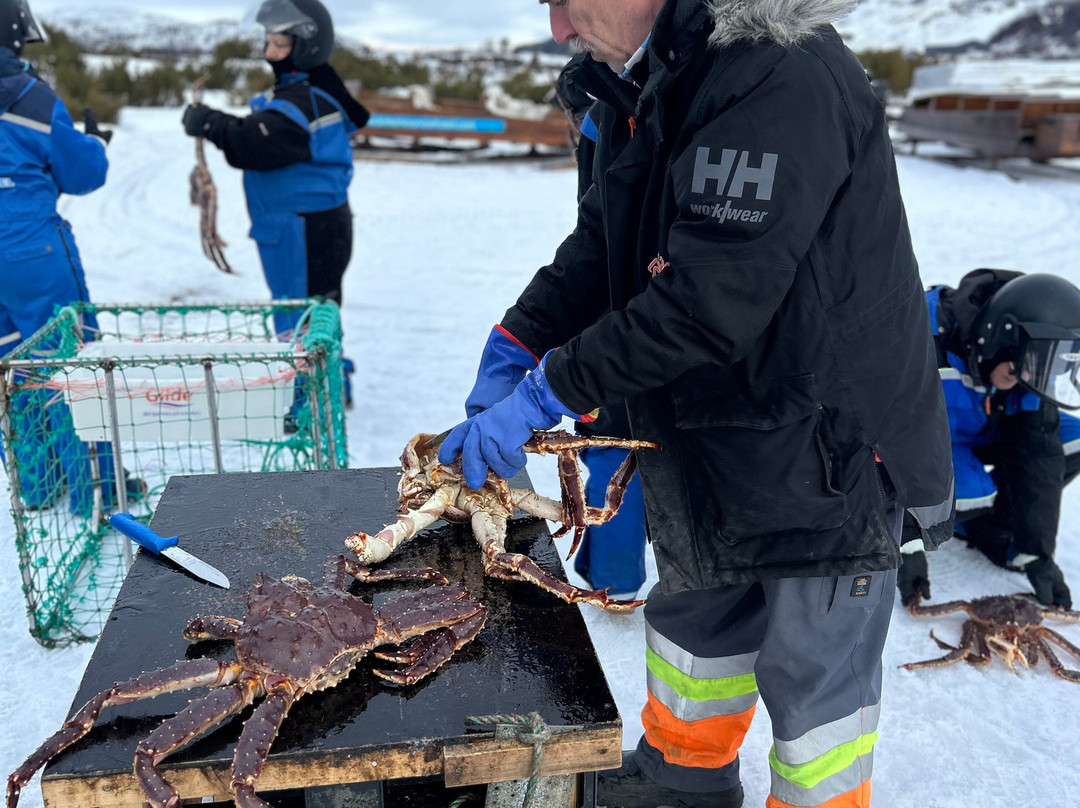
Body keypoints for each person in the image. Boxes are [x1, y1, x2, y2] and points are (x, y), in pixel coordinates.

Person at [437, 1, 955, 807]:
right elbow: (601, 245)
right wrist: (520, 339)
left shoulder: (779, 73)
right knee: (696, 625)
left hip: (825, 447)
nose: (558, 29)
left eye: (568, 0)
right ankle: (683, 778)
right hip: (709, 431)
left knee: (815, 692)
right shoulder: (638, 83)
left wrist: (550, 389)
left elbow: (710, 298)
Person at [180, 0, 368, 404]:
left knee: (299, 315)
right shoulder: (318, 90)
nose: (270, 53)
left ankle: (307, 397)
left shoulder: (304, 101)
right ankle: (334, 379)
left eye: (280, 44)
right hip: (319, 220)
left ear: (306, 45)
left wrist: (210, 122)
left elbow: (254, 142)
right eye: (268, 42)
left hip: (301, 227)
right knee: (322, 309)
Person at [0, 0, 140, 516]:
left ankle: (36, 483)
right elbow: (81, 172)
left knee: (9, 365)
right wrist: (93, 143)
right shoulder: (28, 97)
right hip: (28, 248)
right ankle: (96, 489)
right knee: (68, 361)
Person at [898, 269, 1080, 611]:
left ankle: (995, 530)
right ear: (996, 342)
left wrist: (1036, 551)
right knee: (974, 491)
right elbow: (885, 443)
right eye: (1016, 371)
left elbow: (1037, 452)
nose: (1024, 380)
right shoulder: (920, 340)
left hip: (984, 427)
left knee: (1073, 438)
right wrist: (907, 540)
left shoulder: (1028, 359)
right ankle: (964, 517)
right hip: (925, 440)